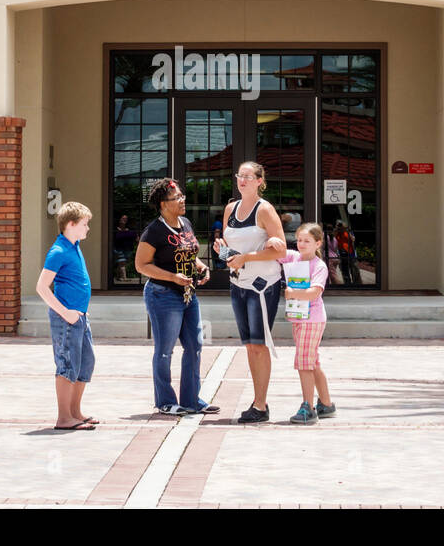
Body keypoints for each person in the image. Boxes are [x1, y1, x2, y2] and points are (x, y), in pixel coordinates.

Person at [135, 178, 220, 416]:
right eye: (177, 198)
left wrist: (203, 267)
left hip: (188, 294)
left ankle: (192, 400)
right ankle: (165, 401)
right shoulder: (153, 231)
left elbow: (191, 255)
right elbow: (141, 265)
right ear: (163, 204)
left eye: (182, 196)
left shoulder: (185, 223)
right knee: (165, 350)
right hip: (162, 295)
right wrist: (172, 277)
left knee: (195, 346)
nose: (182, 201)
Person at [214, 161, 287, 423]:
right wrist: (222, 251)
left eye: (248, 176)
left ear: (259, 181)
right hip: (238, 284)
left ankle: (260, 404)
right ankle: (258, 402)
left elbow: (281, 250)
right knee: (249, 346)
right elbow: (229, 249)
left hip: (262, 285)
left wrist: (247, 257)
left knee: (259, 345)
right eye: (239, 176)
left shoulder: (264, 209)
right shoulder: (230, 208)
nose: (242, 180)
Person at [35, 201, 97, 431]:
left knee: (85, 363)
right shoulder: (58, 250)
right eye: (84, 224)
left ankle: (75, 412)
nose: (87, 228)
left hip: (79, 316)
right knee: (67, 364)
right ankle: (64, 418)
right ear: (70, 224)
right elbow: (41, 287)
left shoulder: (74, 245)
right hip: (67, 319)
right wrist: (66, 313)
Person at [280, 223, 336, 424]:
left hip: (312, 319)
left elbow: (315, 292)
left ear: (318, 243)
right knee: (312, 362)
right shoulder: (294, 257)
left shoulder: (319, 266)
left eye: (307, 241)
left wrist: (292, 293)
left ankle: (308, 407)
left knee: (304, 362)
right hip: (299, 318)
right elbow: (276, 251)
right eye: (299, 240)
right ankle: (326, 404)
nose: (302, 244)